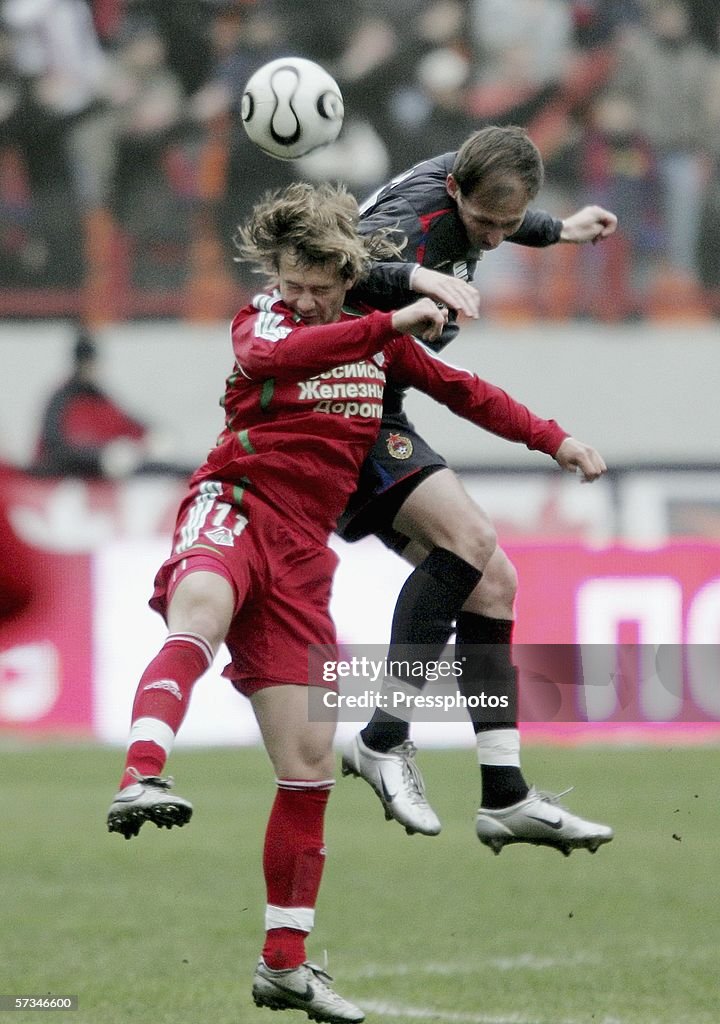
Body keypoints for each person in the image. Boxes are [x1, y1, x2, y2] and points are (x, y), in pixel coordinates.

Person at [105, 180, 606, 1023]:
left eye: (316, 285)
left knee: (307, 768)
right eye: (290, 280)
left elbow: (468, 394)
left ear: (347, 275)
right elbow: (271, 361)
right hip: (233, 507)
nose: (299, 298)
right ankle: (140, 776)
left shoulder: (378, 342)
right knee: (199, 612)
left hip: (303, 556)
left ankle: (285, 965)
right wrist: (388, 320)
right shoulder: (265, 320)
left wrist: (555, 439)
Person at [337, 124, 617, 853]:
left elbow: (505, 211)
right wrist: (419, 279)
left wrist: (559, 232)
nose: (494, 239)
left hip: (381, 399)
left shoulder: (471, 186)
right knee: (471, 540)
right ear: (455, 190)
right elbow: (346, 259)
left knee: (493, 584)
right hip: (340, 400)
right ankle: (382, 736)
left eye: (508, 224)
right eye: (485, 223)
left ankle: (504, 794)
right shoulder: (413, 225)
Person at [31, 329, 172, 479]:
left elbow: (128, 424)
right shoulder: (61, 401)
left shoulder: (102, 399)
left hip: (105, 476)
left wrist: (152, 435)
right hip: (63, 476)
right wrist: (99, 457)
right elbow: (55, 449)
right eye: (86, 363)